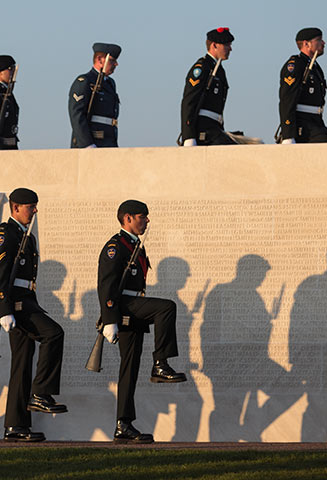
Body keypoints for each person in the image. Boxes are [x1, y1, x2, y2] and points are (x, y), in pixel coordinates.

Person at [97, 200, 186, 444]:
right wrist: (109, 320)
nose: (146, 220)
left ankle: (123, 424)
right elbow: (107, 285)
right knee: (167, 307)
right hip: (123, 307)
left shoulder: (136, 246)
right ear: (127, 218)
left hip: (135, 308)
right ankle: (160, 363)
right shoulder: (116, 247)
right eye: (142, 216)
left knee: (130, 369)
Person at [0, 188, 67, 442]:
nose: (34, 210)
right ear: (15, 208)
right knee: (53, 333)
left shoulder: (27, 237)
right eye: (30, 206)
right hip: (16, 306)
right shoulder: (5, 235)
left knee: (21, 365)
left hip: (27, 302)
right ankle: (41, 393)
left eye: (35, 206)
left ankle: (15, 426)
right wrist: (4, 310)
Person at [180, 28, 236, 146]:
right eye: (226, 45)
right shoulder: (202, 68)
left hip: (215, 128)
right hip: (204, 130)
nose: (230, 48)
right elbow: (189, 102)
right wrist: (188, 136)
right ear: (214, 45)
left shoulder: (219, 70)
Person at [279, 28, 327, 143]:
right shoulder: (295, 65)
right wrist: (288, 135)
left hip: (316, 124)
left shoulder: (315, 67)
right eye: (319, 40)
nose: (323, 43)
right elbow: (287, 100)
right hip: (303, 127)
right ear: (306, 44)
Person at [68, 42, 121, 148]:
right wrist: (87, 144)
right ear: (100, 59)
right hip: (92, 143)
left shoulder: (110, 83)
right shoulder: (85, 81)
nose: (116, 64)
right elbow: (77, 115)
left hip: (109, 142)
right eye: (111, 60)